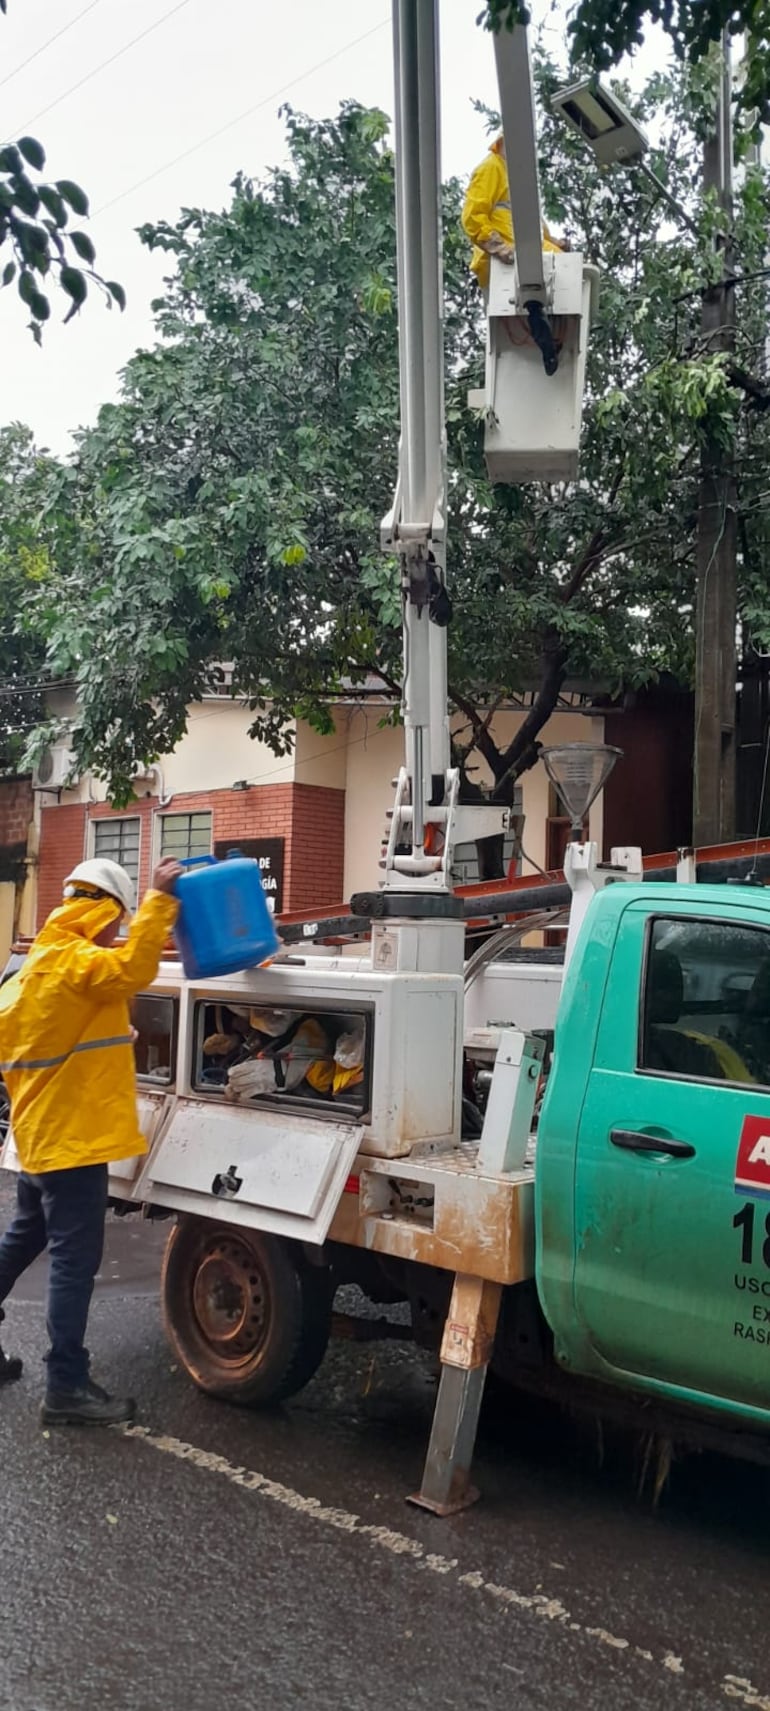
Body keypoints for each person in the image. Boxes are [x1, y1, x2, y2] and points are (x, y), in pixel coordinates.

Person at [0, 854, 181, 1426]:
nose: (118, 933)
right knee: (75, 1263)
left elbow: (59, 1032)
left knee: (25, 1237)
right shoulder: (80, 959)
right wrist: (160, 901)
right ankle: (67, 1386)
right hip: (73, 1142)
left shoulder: (36, 965)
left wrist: (108, 1031)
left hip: (39, 1133)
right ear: (105, 913)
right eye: (119, 922)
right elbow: (131, 971)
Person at [461, 134, 565, 293]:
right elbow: (474, 216)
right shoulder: (492, 167)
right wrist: (499, 248)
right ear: (503, 142)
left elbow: (533, 225)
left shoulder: (518, 177)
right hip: (500, 266)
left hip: (522, 262)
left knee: (566, 269)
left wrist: (555, 243)